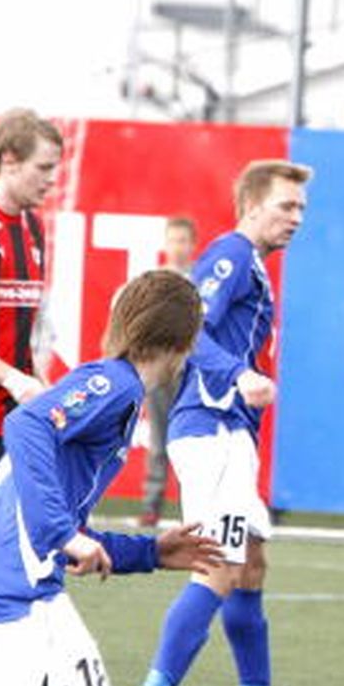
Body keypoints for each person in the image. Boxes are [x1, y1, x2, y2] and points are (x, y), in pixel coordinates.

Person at [0, 270, 223, 686]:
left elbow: (60, 522)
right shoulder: (116, 384)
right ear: (184, 342)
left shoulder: (119, 396)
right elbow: (25, 424)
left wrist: (149, 553)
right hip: (17, 587)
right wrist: (65, 534)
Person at [126, 161, 330, 686]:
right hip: (211, 431)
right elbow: (191, 329)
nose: (296, 218)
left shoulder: (253, 264)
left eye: (302, 210)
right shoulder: (232, 254)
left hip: (230, 434)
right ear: (252, 204)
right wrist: (240, 377)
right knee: (219, 563)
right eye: (286, 206)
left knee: (251, 561)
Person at [0, 108, 65, 525]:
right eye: (43, 167)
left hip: (15, 420)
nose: (52, 178)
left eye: (55, 168)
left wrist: (42, 385)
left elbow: (22, 335)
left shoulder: (33, 229)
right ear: (8, 161)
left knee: (8, 543)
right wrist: (13, 379)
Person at [138, 216, 198, 528]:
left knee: (193, 440)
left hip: (190, 373)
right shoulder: (155, 283)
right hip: (162, 373)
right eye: (173, 240)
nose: (178, 247)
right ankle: (152, 505)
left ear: (193, 245)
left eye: (183, 240)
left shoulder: (201, 282)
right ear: (165, 244)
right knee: (160, 440)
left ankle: (196, 506)